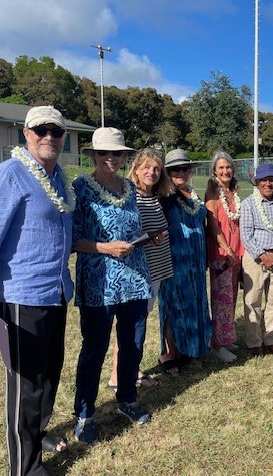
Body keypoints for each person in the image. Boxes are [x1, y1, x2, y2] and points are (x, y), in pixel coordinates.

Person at [0, 106, 74, 475]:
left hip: (55, 292)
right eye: (40, 129)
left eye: (56, 131)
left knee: (49, 374)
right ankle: (25, 468)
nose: (49, 136)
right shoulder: (8, 175)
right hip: (19, 296)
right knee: (26, 384)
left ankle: (38, 432)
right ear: (25, 133)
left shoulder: (60, 179)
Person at [72, 127, 152, 444]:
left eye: (116, 153)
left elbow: (135, 227)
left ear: (124, 156)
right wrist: (105, 248)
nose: (110, 158)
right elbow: (73, 240)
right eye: (104, 152)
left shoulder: (132, 189)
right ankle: (84, 415)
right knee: (94, 349)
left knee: (132, 346)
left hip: (134, 280)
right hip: (98, 283)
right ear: (93, 155)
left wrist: (144, 239)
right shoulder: (81, 188)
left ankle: (127, 400)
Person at [107, 149, 173, 390]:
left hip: (156, 270)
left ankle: (131, 368)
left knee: (139, 322)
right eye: (146, 167)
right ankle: (117, 374)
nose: (151, 172)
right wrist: (147, 239)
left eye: (156, 169)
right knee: (130, 324)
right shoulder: (130, 196)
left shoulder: (155, 197)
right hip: (138, 272)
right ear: (135, 169)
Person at [158, 149, 212, 372]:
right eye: (175, 169)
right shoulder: (164, 195)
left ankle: (189, 349)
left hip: (196, 260)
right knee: (173, 305)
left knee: (193, 303)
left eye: (184, 168)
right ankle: (170, 354)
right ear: (167, 172)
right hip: (174, 260)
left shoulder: (193, 193)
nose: (181, 172)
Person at [240, 163, 273, 357]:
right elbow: (246, 235)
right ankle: (254, 341)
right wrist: (263, 255)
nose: (268, 183)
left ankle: (270, 338)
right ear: (257, 182)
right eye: (264, 180)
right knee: (252, 300)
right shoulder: (248, 204)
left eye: (271, 179)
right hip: (255, 258)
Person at [205, 151, 244, 363]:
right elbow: (212, 224)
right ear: (214, 170)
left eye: (228, 167)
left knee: (231, 298)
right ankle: (217, 345)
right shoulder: (212, 192)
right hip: (221, 252)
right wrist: (227, 248)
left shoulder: (234, 192)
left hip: (237, 252)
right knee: (221, 300)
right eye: (221, 167)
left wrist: (237, 251)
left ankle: (226, 337)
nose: (225, 171)